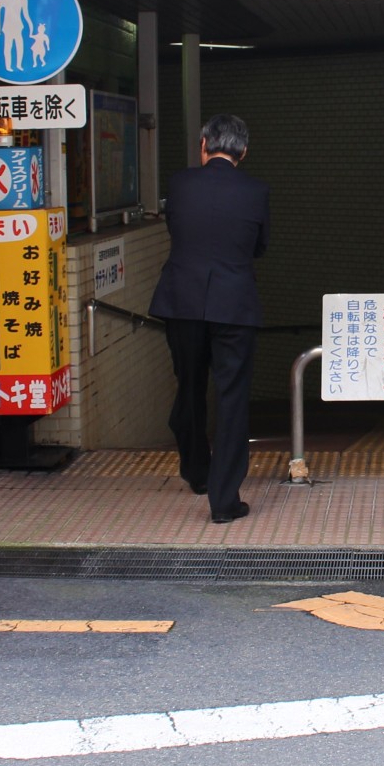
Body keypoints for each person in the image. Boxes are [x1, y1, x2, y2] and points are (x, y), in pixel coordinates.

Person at [149, 114, 270, 523]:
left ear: (204, 145)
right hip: (234, 304)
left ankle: (197, 471)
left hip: (181, 301)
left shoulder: (181, 184)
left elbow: (176, 231)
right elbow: (260, 245)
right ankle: (224, 501)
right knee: (232, 398)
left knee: (190, 387)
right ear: (244, 150)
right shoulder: (256, 190)